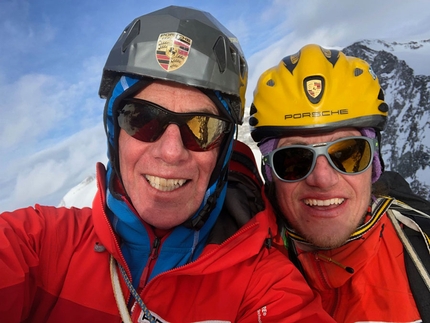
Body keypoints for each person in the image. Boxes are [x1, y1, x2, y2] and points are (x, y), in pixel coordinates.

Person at [0, 7, 336, 323]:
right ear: (113, 130)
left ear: (223, 149)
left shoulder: (264, 287)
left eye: (202, 127)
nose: (171, 152)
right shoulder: (38, 244)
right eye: (142, 119)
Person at [249, 43, 430, 322]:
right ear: (270, 173)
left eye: (348, 154)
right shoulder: (241, 269)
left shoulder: (423, 249)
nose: (322, 178)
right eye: (294, 159)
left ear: (374, 163)